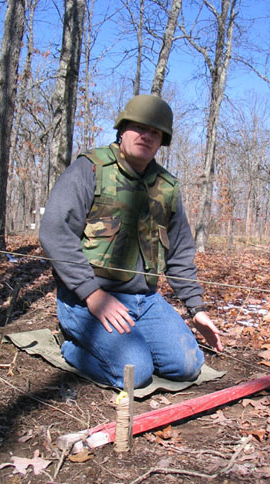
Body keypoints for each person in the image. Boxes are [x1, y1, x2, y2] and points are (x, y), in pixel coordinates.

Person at [39, 94, 222, 389]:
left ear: (162, 141)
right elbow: (54, 232)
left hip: (145, 300)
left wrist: (196, 308)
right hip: (87, 298)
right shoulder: (90, 169)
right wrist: (92, 294)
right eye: (140, 128)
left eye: (156, 132)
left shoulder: (167, 187)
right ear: (122, 129)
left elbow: (180, 253)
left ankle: (122, 345)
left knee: (187, 365)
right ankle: (72, 345)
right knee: (134, 373)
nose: (147, 136)